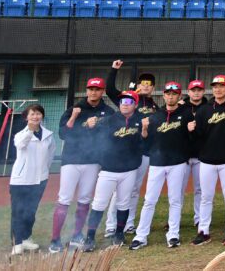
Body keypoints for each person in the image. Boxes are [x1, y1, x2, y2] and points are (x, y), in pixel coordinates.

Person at [50, 77, 114, 252]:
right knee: (64, 198)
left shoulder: (108, 111)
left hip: (93, 161)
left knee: (85, 199)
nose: (93, 92)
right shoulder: (75, 108)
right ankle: (55, 239)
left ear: (102, 92)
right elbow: (63, 133)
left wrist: (96, 127)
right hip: (71, 160)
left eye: (97, 89)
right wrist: (83, 123)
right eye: (91, 89)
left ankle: (77, 234)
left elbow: (110, 133)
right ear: (86, 90)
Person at [130, 82, 193, 250]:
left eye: (174, 93)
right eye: (168, 93)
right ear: (163, 95)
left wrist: (191, 130)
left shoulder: (186, 114)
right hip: (157, 164)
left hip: (178, 163)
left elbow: (192, 139)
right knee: (150, 200)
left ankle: (173, 234)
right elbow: (146, 142)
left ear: (179, 96)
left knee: (175, 200)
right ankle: (141, 235)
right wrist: (143, 131)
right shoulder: (155, 116)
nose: (171, 96)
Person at [82, 91, 144, 251]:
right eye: (122, 101)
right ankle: (90, 238)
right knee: (99, 203)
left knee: (123, 203)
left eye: (129, 101)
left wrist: (145, 132)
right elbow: (92, 136)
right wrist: (89, 126)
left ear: (135, 105)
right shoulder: (109, 120)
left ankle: (119, 234)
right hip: (108, 170)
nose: (125, 103)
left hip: (129, 170)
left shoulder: (140, 121)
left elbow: (145, 143)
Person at [104, 61, 157, 238]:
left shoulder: (155, 105)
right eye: (143, 83)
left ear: (153, 88)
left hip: (144, 153)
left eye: (149, 84)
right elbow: (110, 90)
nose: (146, 86)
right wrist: (114, 70)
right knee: (118, 191)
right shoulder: (128, 99)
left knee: (134, 190)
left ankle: (129, 223)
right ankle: (111, 225)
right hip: (124, 152)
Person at [191, 75, 225, 247]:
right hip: (207, 160)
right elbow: (198, 137)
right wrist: (191, 130)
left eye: (222, 86)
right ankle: (203, 231)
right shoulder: (204, 110)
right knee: (206, 197)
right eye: (215, 86)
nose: (218, 89)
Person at [10, 104, 55, 256]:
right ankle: (17, 243)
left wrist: (44, 172)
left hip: (39, 180)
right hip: (20, 180)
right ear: (26, 117)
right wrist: (30, 130)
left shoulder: (48, 135)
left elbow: (50, 156)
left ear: (42, 116)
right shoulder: (20, 135)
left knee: (31, 212)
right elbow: (21, 145)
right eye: (32, 114)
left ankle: (26, 238)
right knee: (18, 212)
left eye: (38, 114)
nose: (36, 116)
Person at [183, 80, 206, 231]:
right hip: (183, 155)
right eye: (193, 90)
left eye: (199, 90)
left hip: (200, 154)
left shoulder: (208, 107)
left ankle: (198, 218)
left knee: (199, 189)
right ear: (189, 92)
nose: (196, 92)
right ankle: (174, 219)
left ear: (203, 92)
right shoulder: (180, 107)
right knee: (178, 190)